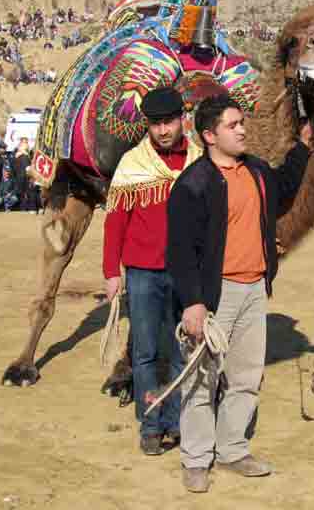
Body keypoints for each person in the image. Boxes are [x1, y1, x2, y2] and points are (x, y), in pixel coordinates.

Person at [167, 94, 312, 493]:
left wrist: (302, 146)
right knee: (201, 380)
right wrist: (193, 303)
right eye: (232, 125)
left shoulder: (257, 171)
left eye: (241, 122)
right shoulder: (193, 184)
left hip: (255, 289)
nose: (242, 130)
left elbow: (284, 190)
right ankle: (197, 459)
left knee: (246, 377)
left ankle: (232, 449)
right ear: (209, 135)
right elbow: (180, 251)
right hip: (215, 295)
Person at [102, 87, 202, 456]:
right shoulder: (133, 163)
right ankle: (150, 425)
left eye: (168, 122)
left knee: (180, 350)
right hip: (142, 272)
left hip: (185, 272)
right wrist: (112, 271)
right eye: (155, 124)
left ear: (182, 120)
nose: (162, 131)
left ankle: (175, 421)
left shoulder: (199, 162)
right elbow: (115, 221)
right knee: (144, 353)